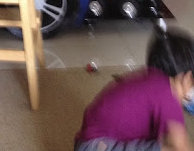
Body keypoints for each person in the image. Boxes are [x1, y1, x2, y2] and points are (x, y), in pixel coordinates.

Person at [75, 23, 194, 151]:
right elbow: (181, 146)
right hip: (96, 146)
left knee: (159, 142)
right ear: (186, 78)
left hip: (89, 142)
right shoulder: (168, 95)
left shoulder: (147, 79)